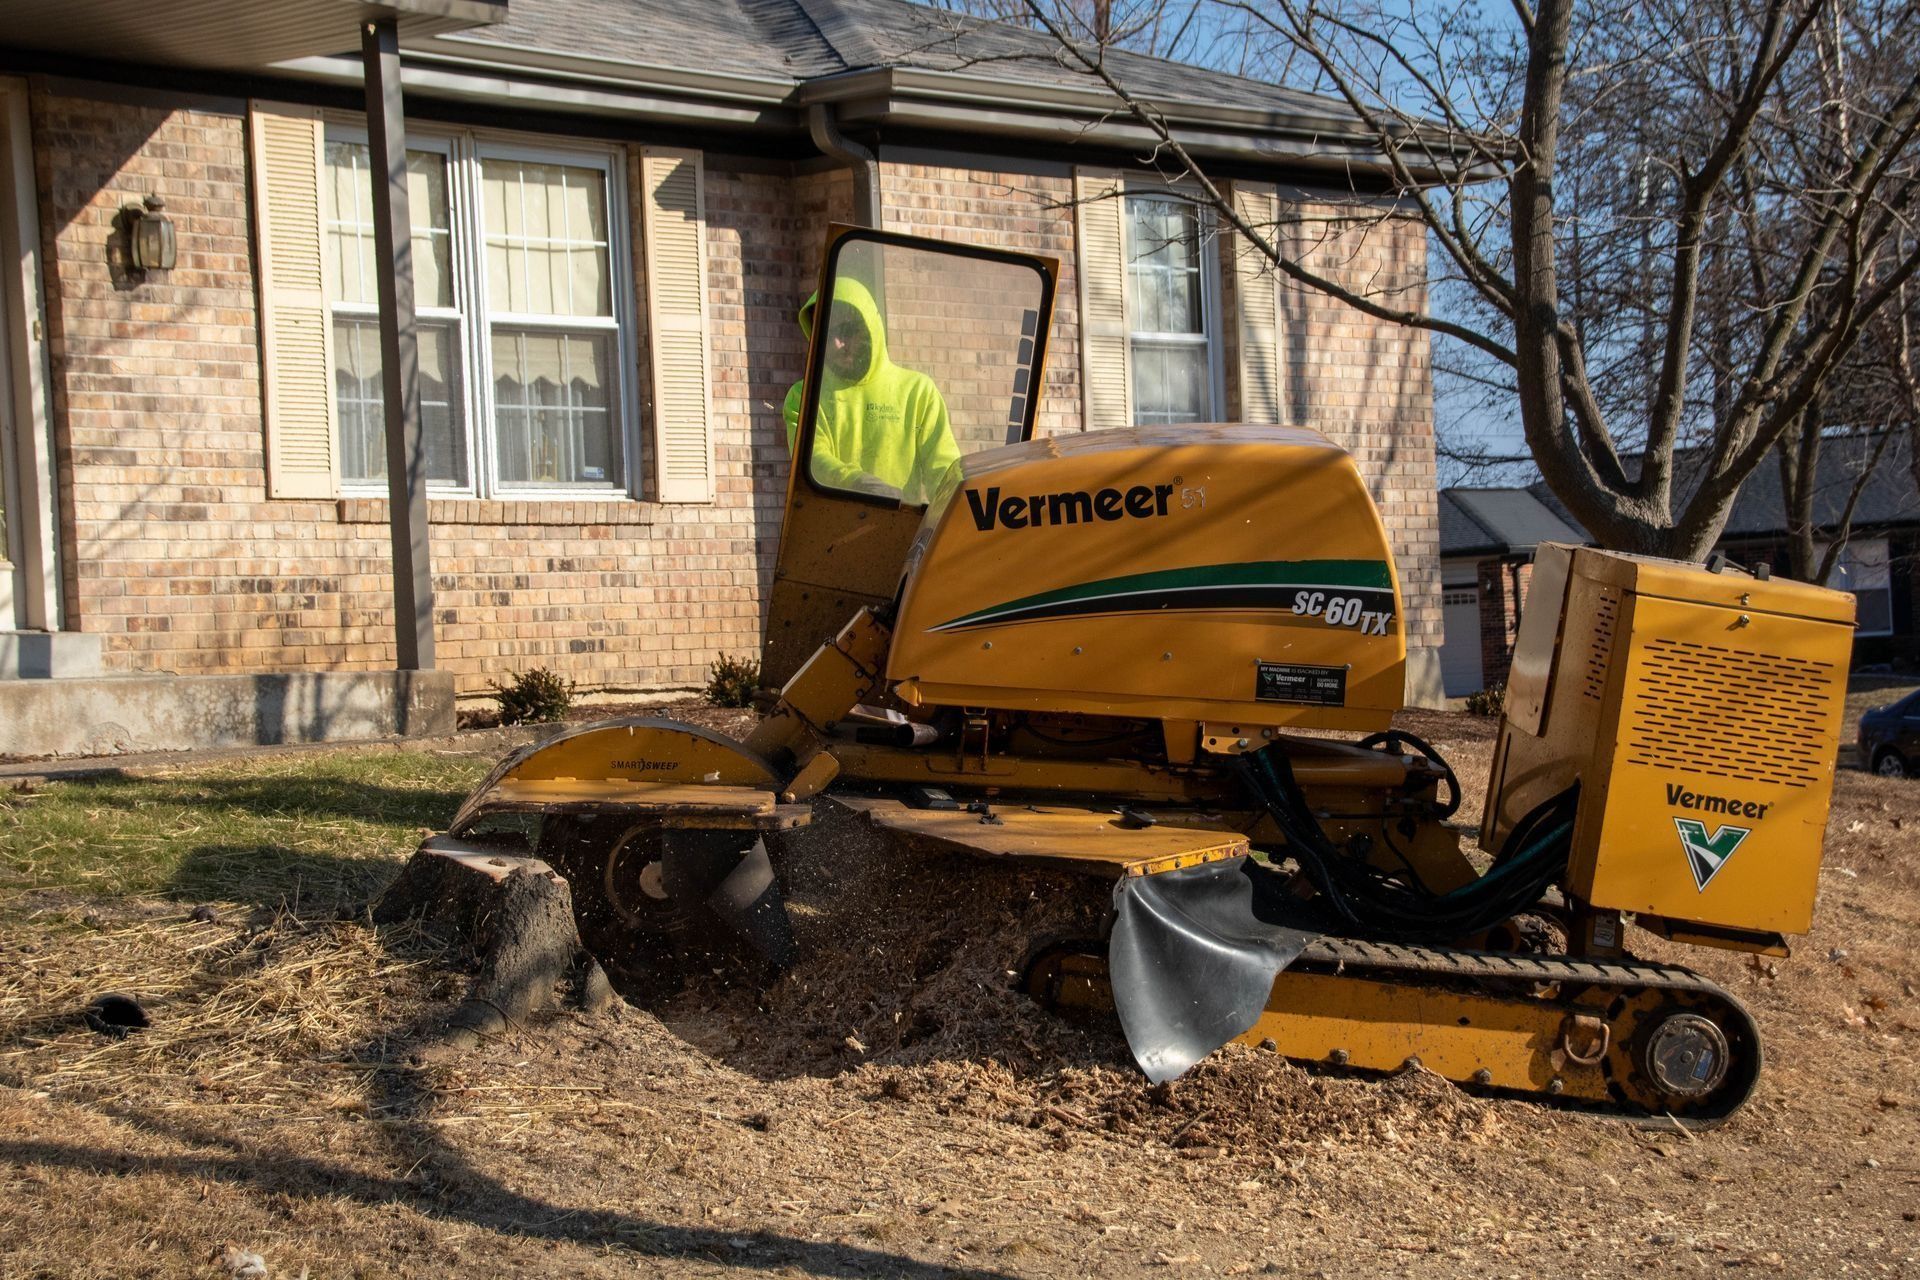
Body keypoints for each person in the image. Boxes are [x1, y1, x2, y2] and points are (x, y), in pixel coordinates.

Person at [782, 278, 961, 506]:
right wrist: (859, 484)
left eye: (846, 330)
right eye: (827, 333)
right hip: (832, 529)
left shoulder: (917, 392)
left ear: (870, 328)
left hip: (907, 530)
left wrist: (958, 513)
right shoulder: (805, 396)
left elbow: (944, 471)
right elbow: (813, 460)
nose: (837, 343)